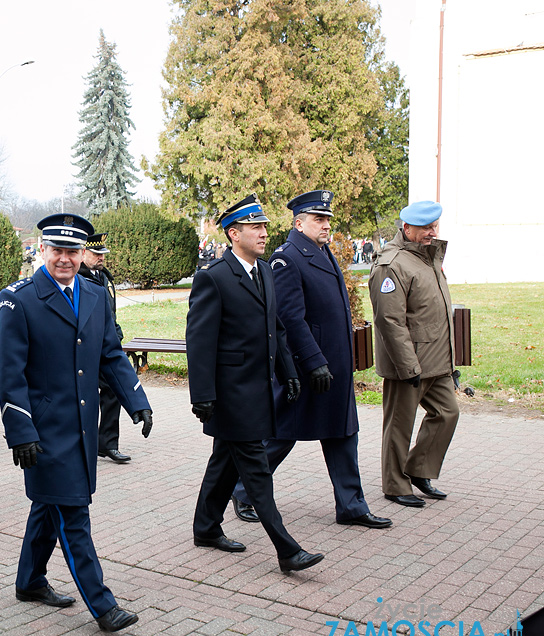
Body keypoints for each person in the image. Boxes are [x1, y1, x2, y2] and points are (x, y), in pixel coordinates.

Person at [0, 213, 153, 634]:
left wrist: (136, 399)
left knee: (49, 507)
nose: (65, 259)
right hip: (45, 431)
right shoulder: (18, 299)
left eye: (73, 251)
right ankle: (103, 606)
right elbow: (10, 374)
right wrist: (21, 430)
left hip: (82, 426)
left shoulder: (94, 294)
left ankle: (29, 581)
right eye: (57, 250)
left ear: (84, 254)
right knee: (72, 514)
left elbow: (110, 354)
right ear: (42, 250)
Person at [231, 191, 391, 529]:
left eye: (327, 219)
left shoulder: (321, 251)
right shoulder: (288, 258)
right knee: (281, 435)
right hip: (308, 368)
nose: (326, 225)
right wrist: (314, 360)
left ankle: (351, 505)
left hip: (335, 365)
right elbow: (289, 317)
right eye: (318, 219)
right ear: (299, 223)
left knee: (343, 433)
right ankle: (242, 489)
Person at [186, 194, 323, 572]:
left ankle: (206, 527)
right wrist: (203, 396)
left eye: (264, 226)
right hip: (231, 394)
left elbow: (274, 328)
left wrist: (289, 372)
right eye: (255, 227)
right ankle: (287, 549)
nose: (264, 233)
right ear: (234, 234)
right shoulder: (213, 277)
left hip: (257, 388)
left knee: (224, 463)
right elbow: (198, 342)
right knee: (256, 469)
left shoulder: (264, 271)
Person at [369, 201, 458, 508]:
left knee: (448, 413)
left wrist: (450, 361)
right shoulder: (392, 264)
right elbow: (389, 322)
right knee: (399, 425)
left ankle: (419, 470)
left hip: (437, 361)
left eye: (435, 227)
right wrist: (408, 366)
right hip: (409, 363)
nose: (432, 233)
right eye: (425, 229)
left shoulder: (427, 256)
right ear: (407, 229)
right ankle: (395, 485)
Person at [77, 232, 132, 463]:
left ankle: (106, 443)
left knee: (112, 389)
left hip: (105, 345)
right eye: (96, 253)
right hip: (85, 348)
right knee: (83, 394)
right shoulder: (77, 278)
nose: (101, 257)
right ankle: (84, 442)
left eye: (102, 254)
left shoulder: (102, 276)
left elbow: (109, 312)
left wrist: (115, 334)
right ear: (83, 253)